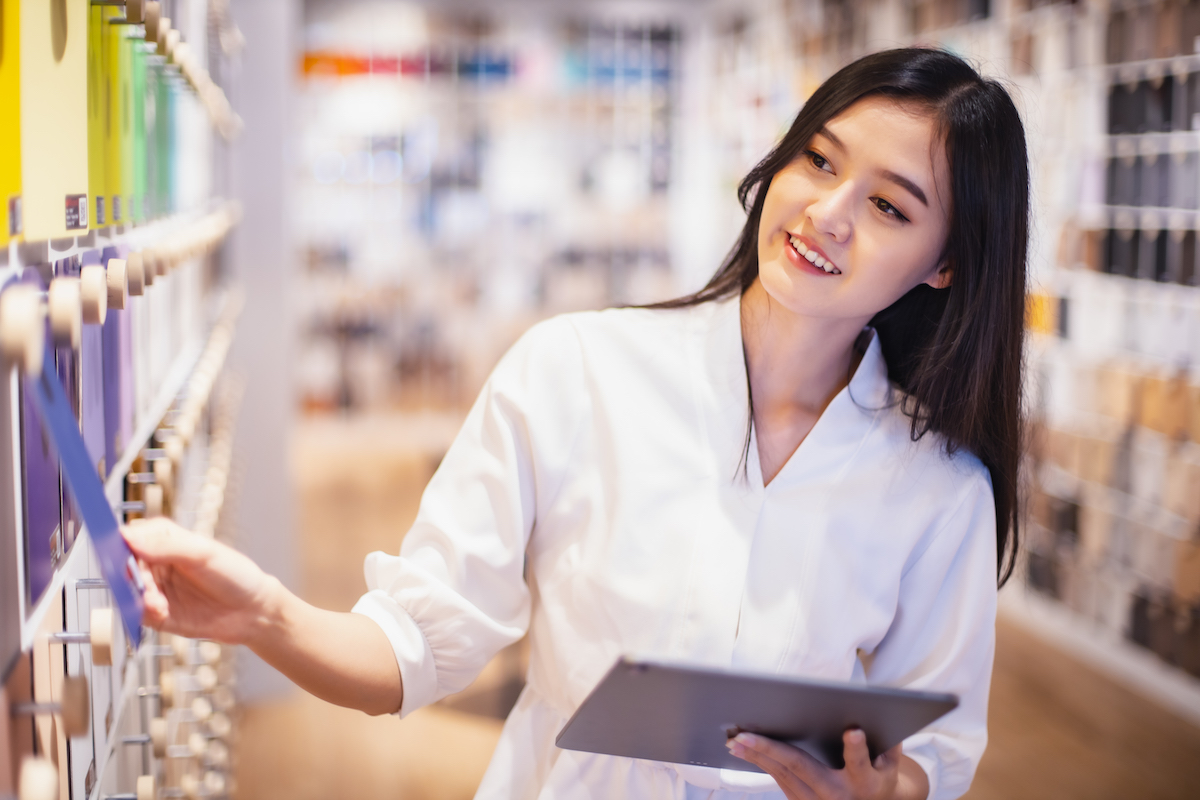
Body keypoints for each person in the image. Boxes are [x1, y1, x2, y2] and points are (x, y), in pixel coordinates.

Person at [124, 47, 1028, 800]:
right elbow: (413, 647)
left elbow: (933, 763)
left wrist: (883, 792)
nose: (827, 215)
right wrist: (266, 616)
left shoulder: (938, 488)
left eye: (888, 206)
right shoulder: (577, 370)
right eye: (820, 162)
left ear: (945, 263)